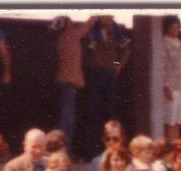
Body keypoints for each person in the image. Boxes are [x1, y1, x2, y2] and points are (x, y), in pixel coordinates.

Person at [82, 16, 131, 161]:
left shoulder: (117, 32)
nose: (109, 19)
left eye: (111, 17)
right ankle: (91, 153)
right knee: (92, 113)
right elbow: (84, 51)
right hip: (94, 74)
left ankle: (115, 151)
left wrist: (117, 64)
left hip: (109, 75)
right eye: (106, 16)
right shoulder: (91, 30)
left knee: (111, 113)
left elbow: (123, 51)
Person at [51, 16, 91, 151]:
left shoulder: (61, 38)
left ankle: (62, 149)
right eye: (70, 21)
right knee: (67, 121)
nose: (73, 23)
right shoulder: (71, 35)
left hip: (65, 83)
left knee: (65, 119)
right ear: (67, 25)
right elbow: (87, 26)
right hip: (68, 84)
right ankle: (63, 151)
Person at [159, 16, 181, 143]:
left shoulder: (179, 42)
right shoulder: (163, 43)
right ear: (167, 28)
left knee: (179, 120)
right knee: (171, 120)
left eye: (178, 27)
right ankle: (169, 150)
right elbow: (163, 65)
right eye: (173, 27)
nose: (176, 30)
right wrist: (166, 86)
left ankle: (177, 149)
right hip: (171, 86)